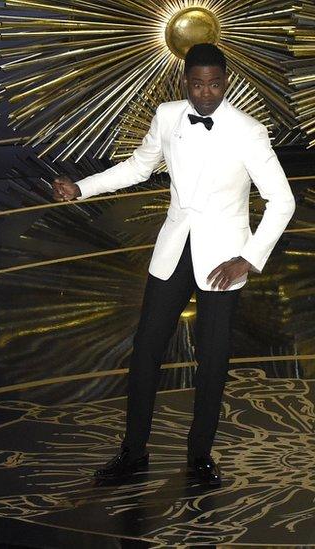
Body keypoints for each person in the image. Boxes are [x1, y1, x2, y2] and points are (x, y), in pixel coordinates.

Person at [51, 43, 295, 487]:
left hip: (223, 259)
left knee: (213, 361)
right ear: (185, 82)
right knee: (145, 352)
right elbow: (137, 167)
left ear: (226, 82)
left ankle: (199, 456)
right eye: (198, 84)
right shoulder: (167, 116)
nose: (206, 93)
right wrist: (81, 188)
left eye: (215, 84)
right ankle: (132, 452)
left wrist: (248, 258)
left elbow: (282, 200)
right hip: (173, 252)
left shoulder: (249, 131)